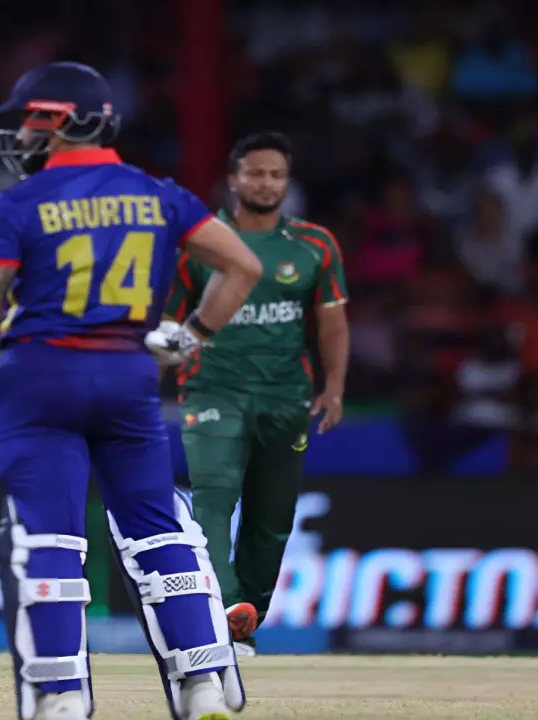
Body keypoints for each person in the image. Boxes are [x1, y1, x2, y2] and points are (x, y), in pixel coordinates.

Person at [0, 62, 263, 720]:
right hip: (128, 374)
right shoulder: (159, 195)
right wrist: (188, 336)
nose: (23, 132)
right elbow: (242, 267)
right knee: (158, 529)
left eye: (31, 119)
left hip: (38, 379)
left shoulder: (18, 204)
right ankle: (202, 687)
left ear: (63, 120)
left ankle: (58, 699)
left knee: (48, 539)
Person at [158, 131, 350, 655]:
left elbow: (332, 323)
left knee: (272, 518)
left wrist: (333, 388)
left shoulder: (315, 245)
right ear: (233, 178)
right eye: (255, 173)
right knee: (214, 500)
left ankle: (246, 623)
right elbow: (169, 324)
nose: (265, 183)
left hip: (286, 397)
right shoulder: (201, 244)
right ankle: (222, 609)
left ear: (287, 183)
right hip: (211, 390)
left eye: (276, 175)